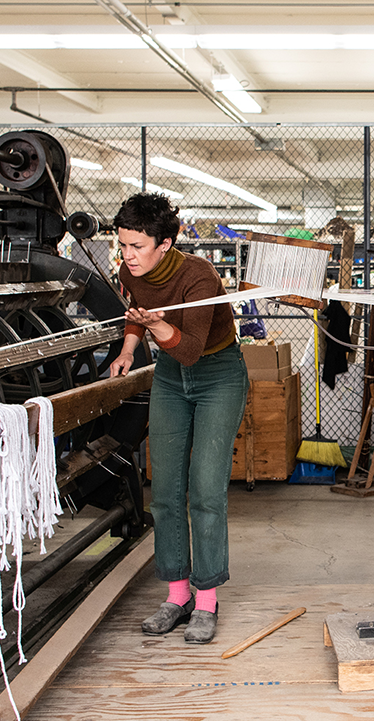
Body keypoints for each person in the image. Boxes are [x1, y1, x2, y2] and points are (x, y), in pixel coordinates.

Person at [109, 192, 249, 644]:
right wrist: (130, 347)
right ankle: (176, 595)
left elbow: (189, 350)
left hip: (216, 374)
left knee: (206, 490)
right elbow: (135, 313)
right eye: (122, 244)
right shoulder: (129, 272)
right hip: (169, 377)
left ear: (165, 244)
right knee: (165, 490)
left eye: (137, 247)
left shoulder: (199, 276)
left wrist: (155, 325)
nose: (127, 256)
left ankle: (206, 601)